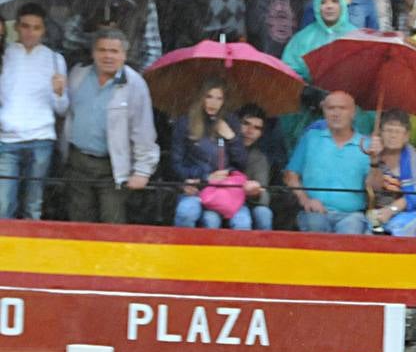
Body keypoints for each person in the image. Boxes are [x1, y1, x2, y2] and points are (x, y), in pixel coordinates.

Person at [60, 30, 159, 224]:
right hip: (77, 161)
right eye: (102, 50)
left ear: (124, 55)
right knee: (78, 223)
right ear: (93, 53)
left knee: (112, 225)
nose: (108, 56)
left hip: (112, 168)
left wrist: (143, 171)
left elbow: (144, 131)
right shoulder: (78, 73)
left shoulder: (135, 84)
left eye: (114, 51)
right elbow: (67, 112)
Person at [0, 3, 68, 221]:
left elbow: (63, 109)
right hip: (7, 139)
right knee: (3, 204)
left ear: (44, 30)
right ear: (17, 27)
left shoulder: (55, 59)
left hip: (41, 138)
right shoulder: (5, 55)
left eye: (36, 27)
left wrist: (59, 93)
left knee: (33, 204)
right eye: (26, 26)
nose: (30, 32)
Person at [284, 91, 372, 234]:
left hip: (351, 215)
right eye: (331, 108)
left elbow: (376, 187)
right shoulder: (310, 138)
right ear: (324, 111)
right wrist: (305, 200)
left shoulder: (367, 144)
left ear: (353, 113)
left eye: (342, 108)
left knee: (352, 232)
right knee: (316, 226)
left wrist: (375, 162)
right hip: (314, 212)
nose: (336, 113)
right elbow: (290, 175)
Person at [170, 78, 251, 229]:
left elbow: (242, 163)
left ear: (224, 101)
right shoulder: (185, 122)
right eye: (209, 97)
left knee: (242, 223)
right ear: (200, 98)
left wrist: (231, 137)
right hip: (196, 188)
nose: (213, 103)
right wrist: (205, 177)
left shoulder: (231, 122)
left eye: (219, 98)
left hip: (224, 190)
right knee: (186, 212)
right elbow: (175, 164)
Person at [61, 0, 163, 71]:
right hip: (89, 67)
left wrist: (139, 76)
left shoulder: (144, 2)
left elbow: (153, 49)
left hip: (129, 69)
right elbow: (69, 38)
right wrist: (97, 39)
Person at [364, 109, 416, 236]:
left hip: (409, 213)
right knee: (370, 234)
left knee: (399, 232)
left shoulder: (412, 159)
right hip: (379, 211)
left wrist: (391, 210)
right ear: (380, 133)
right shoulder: (374, 151)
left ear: (406, 136)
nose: (393, 135)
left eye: (397, 131)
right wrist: (374, 162)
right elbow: (373, 189)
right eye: (388, 130)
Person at [281, 0, 356, 81]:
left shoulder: (356, 36)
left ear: (342, 5)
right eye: (323, 2)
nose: (329, 6)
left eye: (334, 1)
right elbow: (289, 72)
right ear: (316, 7)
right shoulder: (302, 38)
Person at [238, 104, 273, 231]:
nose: (250, 131)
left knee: (264, 213)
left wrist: (255, 194)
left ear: (261, 133)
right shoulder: (220, 146)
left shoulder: (259, 158)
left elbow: (264, 197)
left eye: (257, 128)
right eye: (246, 124)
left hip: (246, 204)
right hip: (219, 200)